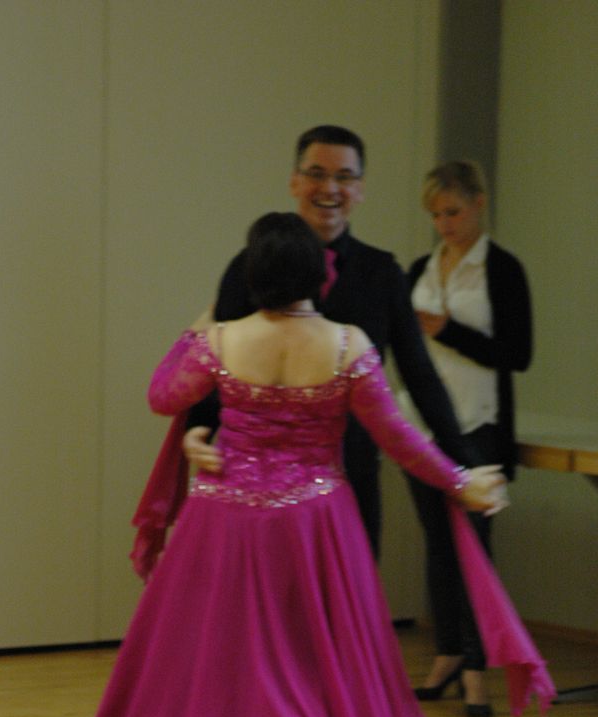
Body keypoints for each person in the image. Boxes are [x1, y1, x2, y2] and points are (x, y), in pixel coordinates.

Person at [75, 213, 552, 717]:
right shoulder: (347, 345)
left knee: (245, 659)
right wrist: (459, 480)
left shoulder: (220, 341)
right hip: (316, 519)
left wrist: (198, 326)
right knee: (319, 657)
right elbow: (397, 437)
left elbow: (164, 396)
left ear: (255, 275)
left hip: (228, 521)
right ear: (317, 275)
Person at [184, 125, 475, 556]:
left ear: (360, 189)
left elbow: (419, 374)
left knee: (349, 590)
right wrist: (197, 432)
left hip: (352, 476)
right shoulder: (249, 266)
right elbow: (211, 364)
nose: (330, 189)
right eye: (317, 174)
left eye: (344, 177)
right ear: (294, 181)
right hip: (252, 490)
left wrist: (462, 464)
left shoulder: (382, 273)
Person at [408, 161, 533, 717]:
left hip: (479, 425)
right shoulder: (420, 268)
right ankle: (449, 655)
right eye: (436, 215)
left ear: (479, 204)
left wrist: (447, 330)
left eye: (453, 212)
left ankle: (479, 668)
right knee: (437, 544)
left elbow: (518, 355)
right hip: (422, 426)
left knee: (474, 547)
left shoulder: (502, 270)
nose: (444, 224)